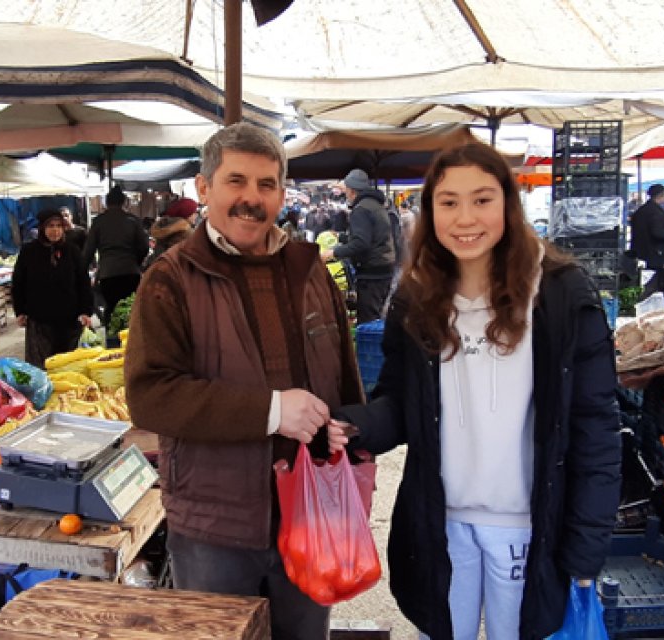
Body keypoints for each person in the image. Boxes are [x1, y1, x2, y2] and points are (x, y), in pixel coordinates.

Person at [327, 143, 620, 640]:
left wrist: (585, 547)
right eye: (448, 202)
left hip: (527, 526)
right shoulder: (415, 298)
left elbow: (596, 429)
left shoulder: (561, 294)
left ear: (508, 204)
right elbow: (401, 400)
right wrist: (358, 425)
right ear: (429, 212)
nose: (465, 217)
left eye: (482, 200)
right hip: (441, 521)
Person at [125, 122, 365, 640]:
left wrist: (348, 426)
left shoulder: (310, 270)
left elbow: (343, 373)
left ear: (281, 192)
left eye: (266, 184)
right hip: (217, 522)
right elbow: (150, 396)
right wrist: (272, 412)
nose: (251, 199)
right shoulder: (170, 278)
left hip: (308, 511)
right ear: (204, 188)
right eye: (236, 182)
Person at [12, 209, 96, 367]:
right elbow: (18, 282)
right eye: (50, 225)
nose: (55, 230)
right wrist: (20, 310)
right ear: (42, 228)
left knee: (68, 366)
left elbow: (83, 282)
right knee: (42, 367)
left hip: (70, 320)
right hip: (40, 320)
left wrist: (86, 310)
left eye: (59, 225)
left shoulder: (72, 251)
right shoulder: (29, 252)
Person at [323, 169, 396, 323]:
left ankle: (370, 347)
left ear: (352, 190)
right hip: (384, 269)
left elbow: (361, 243)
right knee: (375, 318)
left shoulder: (361, 209)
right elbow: (370, 236)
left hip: (372, 273)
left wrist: (333, 253)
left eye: (346, 189)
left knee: (368, 323)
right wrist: (342, 237)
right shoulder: (375, 205)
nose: (346, 194)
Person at [83, 186, 151, 326]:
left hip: (108, 273)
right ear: (124, 202)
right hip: (131, 272)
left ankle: (112, 341)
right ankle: (131, 342)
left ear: (106, 203)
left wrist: (82, 271)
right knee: (131, 309)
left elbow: (89, 250)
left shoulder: (99, 222)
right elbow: (144, 247)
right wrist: (136, 262)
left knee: (111, 309)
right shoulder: (133, 220)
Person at [631, 183, 664, 297]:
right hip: (654, 254)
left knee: (642, 281)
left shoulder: (640, 211)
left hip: (639, 252)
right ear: (662, 196)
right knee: (653, 284)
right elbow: (657, 232)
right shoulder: (656, 213)